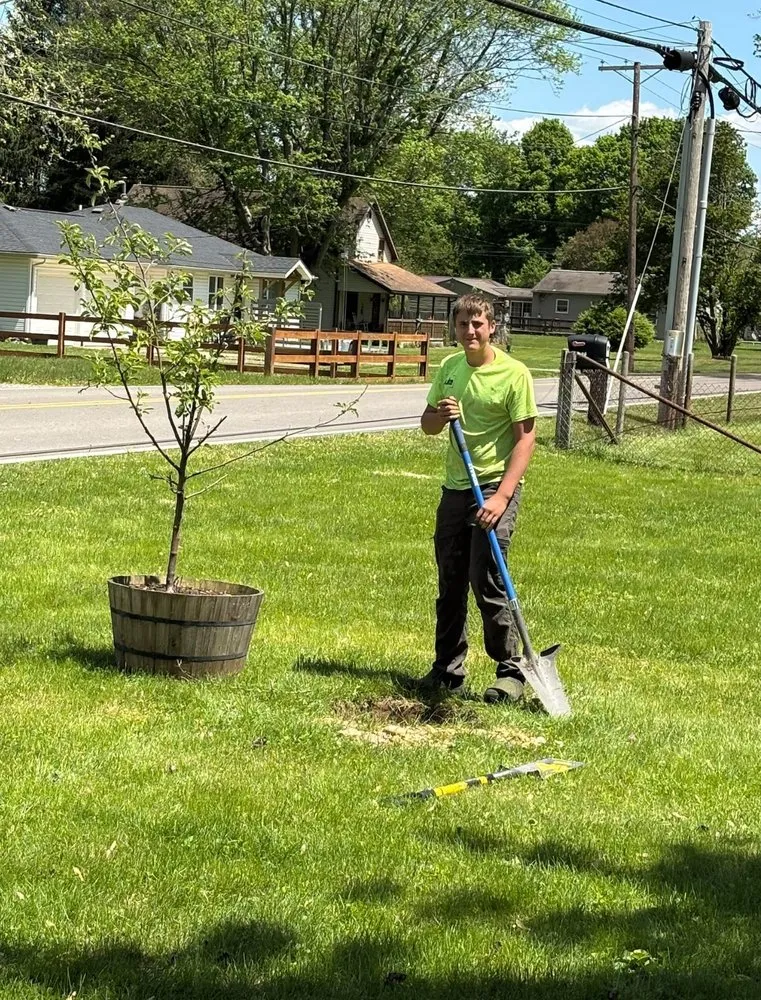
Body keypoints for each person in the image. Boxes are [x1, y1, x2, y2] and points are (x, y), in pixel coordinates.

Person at [418, 293, 538, 703]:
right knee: (450, 581)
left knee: (485, 577)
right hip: (455, 487)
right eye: (463, 324)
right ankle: (447, 669)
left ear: (491, 328)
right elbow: (427, 424)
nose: (470, 331)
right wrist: (441, 415)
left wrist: (502, 497)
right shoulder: (450, 369)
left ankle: (512, 671)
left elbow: (526, 439)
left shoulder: (513, 374)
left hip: (492, 487)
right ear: (454, 328)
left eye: (478, 324)